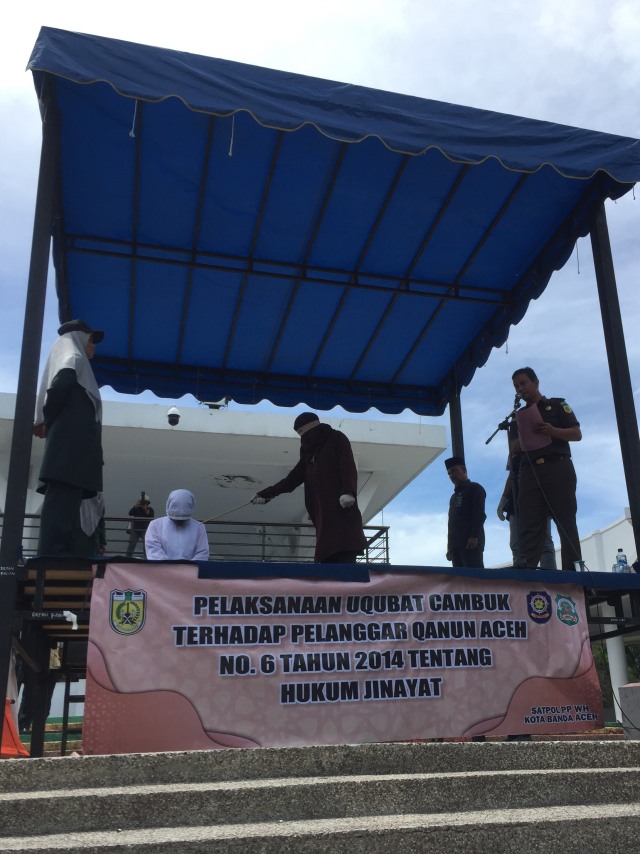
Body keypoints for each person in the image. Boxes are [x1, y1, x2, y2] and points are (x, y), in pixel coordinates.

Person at [251, 412, 367, 563]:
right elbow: (290, 480)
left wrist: (348, 492)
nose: (302, 438)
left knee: (343, 546)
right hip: (321, 514)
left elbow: (348, 466)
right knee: (327, 551)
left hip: (341, 507)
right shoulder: (308, 455)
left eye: (302, 432)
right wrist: (266, 495)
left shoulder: (336, 438)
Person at [34, 319, 104, 556]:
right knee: (59, 519)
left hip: (73, 460)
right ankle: (49, 565)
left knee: (66, 517)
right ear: (79, 338)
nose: (93, 346)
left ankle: (58, 563)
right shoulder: (71, 359)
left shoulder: (77, 364)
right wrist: (47, 418)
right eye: (91, 340)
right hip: (68, 459)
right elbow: (58, 390)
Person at [511, 367, 582, 571]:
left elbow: (577, 433)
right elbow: (514, 450)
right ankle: (527, 573)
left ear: (536, 382)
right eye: (516, 386)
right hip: (530, 471)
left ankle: (572, 573)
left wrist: (552, 431)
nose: (520, 388)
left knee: (565, 521)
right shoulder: (519, 416)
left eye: (523, 383)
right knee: (530, 524)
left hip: (557, 467)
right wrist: (521, 435)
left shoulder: (557, 405)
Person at [497, 474, 557, 569]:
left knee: (545, 544)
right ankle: (523, 580)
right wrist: (504, 498)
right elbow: (512, 474)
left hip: (539, 497)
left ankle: (550, 580)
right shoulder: (513, 459)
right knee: (516, 545)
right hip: (517, 501)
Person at [145, 489, 209, 561]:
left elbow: (202, 553)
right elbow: (153, 551)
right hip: (162, 570)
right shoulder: (156, 525)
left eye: (184, 520)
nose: (179, 522)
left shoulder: (199, 527)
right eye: (175, 519)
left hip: (191, 570)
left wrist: (190, 567)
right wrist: (171, 567)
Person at [445, 456, 486, 568]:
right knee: (459, 582)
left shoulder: (475, 488)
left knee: (474, 580)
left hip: (470, 544)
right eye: (449, 473)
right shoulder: (453, 497)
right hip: (456, 547)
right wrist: (450, 547)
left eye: (454, 471)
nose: (451, 475)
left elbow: (479, 514)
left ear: (464, 470)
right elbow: (451, 523)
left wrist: (474, 536)